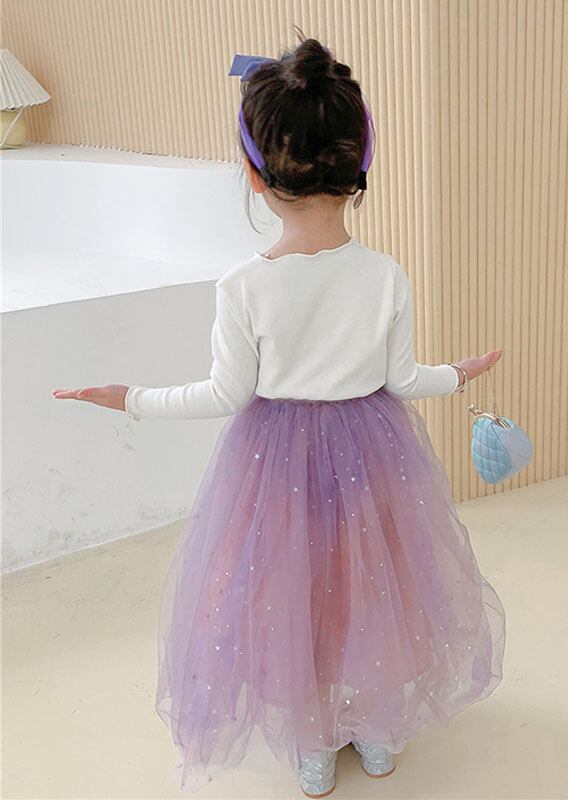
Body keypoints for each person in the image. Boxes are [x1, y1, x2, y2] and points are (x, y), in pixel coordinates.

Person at [53, 33, 506, 798]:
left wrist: (130, 397)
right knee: (373, 587)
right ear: (359, 166)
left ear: (254, 175)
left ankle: (314, 744)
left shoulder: (244, 287)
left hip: (274, 468)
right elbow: (401, 379)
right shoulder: (385, 276)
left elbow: (223, 394)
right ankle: (378, 732)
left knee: (295, 598)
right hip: (373, 454)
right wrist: (459, 375)